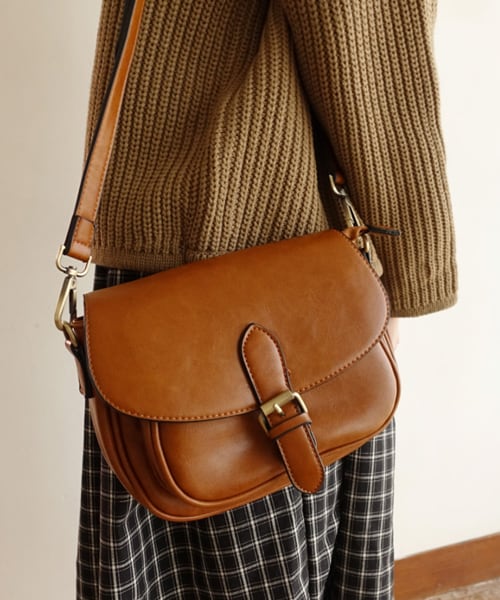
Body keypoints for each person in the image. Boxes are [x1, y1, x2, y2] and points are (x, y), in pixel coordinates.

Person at [76, 1, 457, 598]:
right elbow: (368, 54)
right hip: (274, 277)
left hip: (149, 268)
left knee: (155, 567)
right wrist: (408, 269)